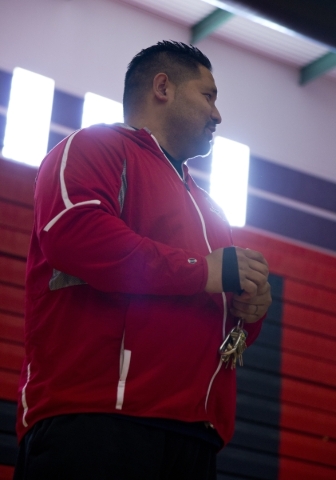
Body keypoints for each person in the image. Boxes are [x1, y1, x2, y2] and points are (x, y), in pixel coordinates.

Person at [14, 41, 271, 480]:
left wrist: (252, 309)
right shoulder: (95, 147)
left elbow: (218, 314)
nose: (218, 115)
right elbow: (75, 235)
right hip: (98, 424)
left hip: (195, 438)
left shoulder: (210, 206)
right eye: (208, 96)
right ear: (163, 87)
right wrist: (203, 270)